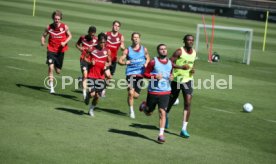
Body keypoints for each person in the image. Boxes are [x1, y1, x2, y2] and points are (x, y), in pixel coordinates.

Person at [139, 44, 173, 143]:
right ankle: (144, 106)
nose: (163, 51)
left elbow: (170, 73)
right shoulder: (153, 62)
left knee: (163, 112)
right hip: (153, 92)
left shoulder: (170, 62)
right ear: (158, 51)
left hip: (165, 91)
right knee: (149, 113)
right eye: (161, 49)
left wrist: (171, 77)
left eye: (165, 49)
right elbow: (145, 74)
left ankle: (161, 134)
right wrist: (154, 77)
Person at [166, 34, 196, 138]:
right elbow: (169, 63)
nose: (190, 42)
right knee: (171, 101)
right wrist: (181, 67)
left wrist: (192, 70)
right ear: (184, 41)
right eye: (188, 40)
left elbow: (192, 64)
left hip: (188, 80)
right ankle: (166, 115)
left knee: (188, 102)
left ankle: (184, 129)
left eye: (192, 40)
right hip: (176, 80)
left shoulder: (194, 52)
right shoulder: (179, 51)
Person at [118, 32, 150, 119]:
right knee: (131, 93)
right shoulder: (127, 50)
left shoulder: (144, 49)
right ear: (132, 39)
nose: (136, 39)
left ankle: (143, 104)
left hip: (140, 75)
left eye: (137, 37)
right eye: (134, 37)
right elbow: (120, 60)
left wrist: (146, 63)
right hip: (131, 74)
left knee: (136, 95)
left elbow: (148, 58)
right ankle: (131, 111)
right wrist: (125, 62)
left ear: (139, 39)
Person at [41, 10, 72, 94]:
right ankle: (51, 87)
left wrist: (64, 42)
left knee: (58, 71)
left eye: (58, 19)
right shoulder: (49, 27)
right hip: (51, 50)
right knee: (50, 68)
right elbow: (43, 36)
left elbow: (70, 36)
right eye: (55, 19)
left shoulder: (64, 27)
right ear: (53, 18)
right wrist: (42, 41)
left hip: (60, 51)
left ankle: (55, 65)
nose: (56, 20)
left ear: (60, 19)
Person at [84, 33, 111, 117]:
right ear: (98, 41)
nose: (103, 44)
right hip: (92, 75)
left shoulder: (107, 51)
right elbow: (84, 58)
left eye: (104, 42)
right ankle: (88, 95)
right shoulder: (91, 49)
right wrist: (90, 62)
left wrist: (107, 64)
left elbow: (109, 61)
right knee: (92, 94)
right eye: (101, 42)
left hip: (101, 76)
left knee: (97, 96)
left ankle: (91, 109)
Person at [76, 26, 98, 99]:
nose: (92, 36)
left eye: (94, 34)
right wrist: (80, 48)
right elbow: (77, 44)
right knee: (85, 75)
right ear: (88, 32)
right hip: (83, 59)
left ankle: (80, 80)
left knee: (89, 76)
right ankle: (84, 94)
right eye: (91, 34)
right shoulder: (82, 38)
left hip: (92, 60)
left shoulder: (96, 40)